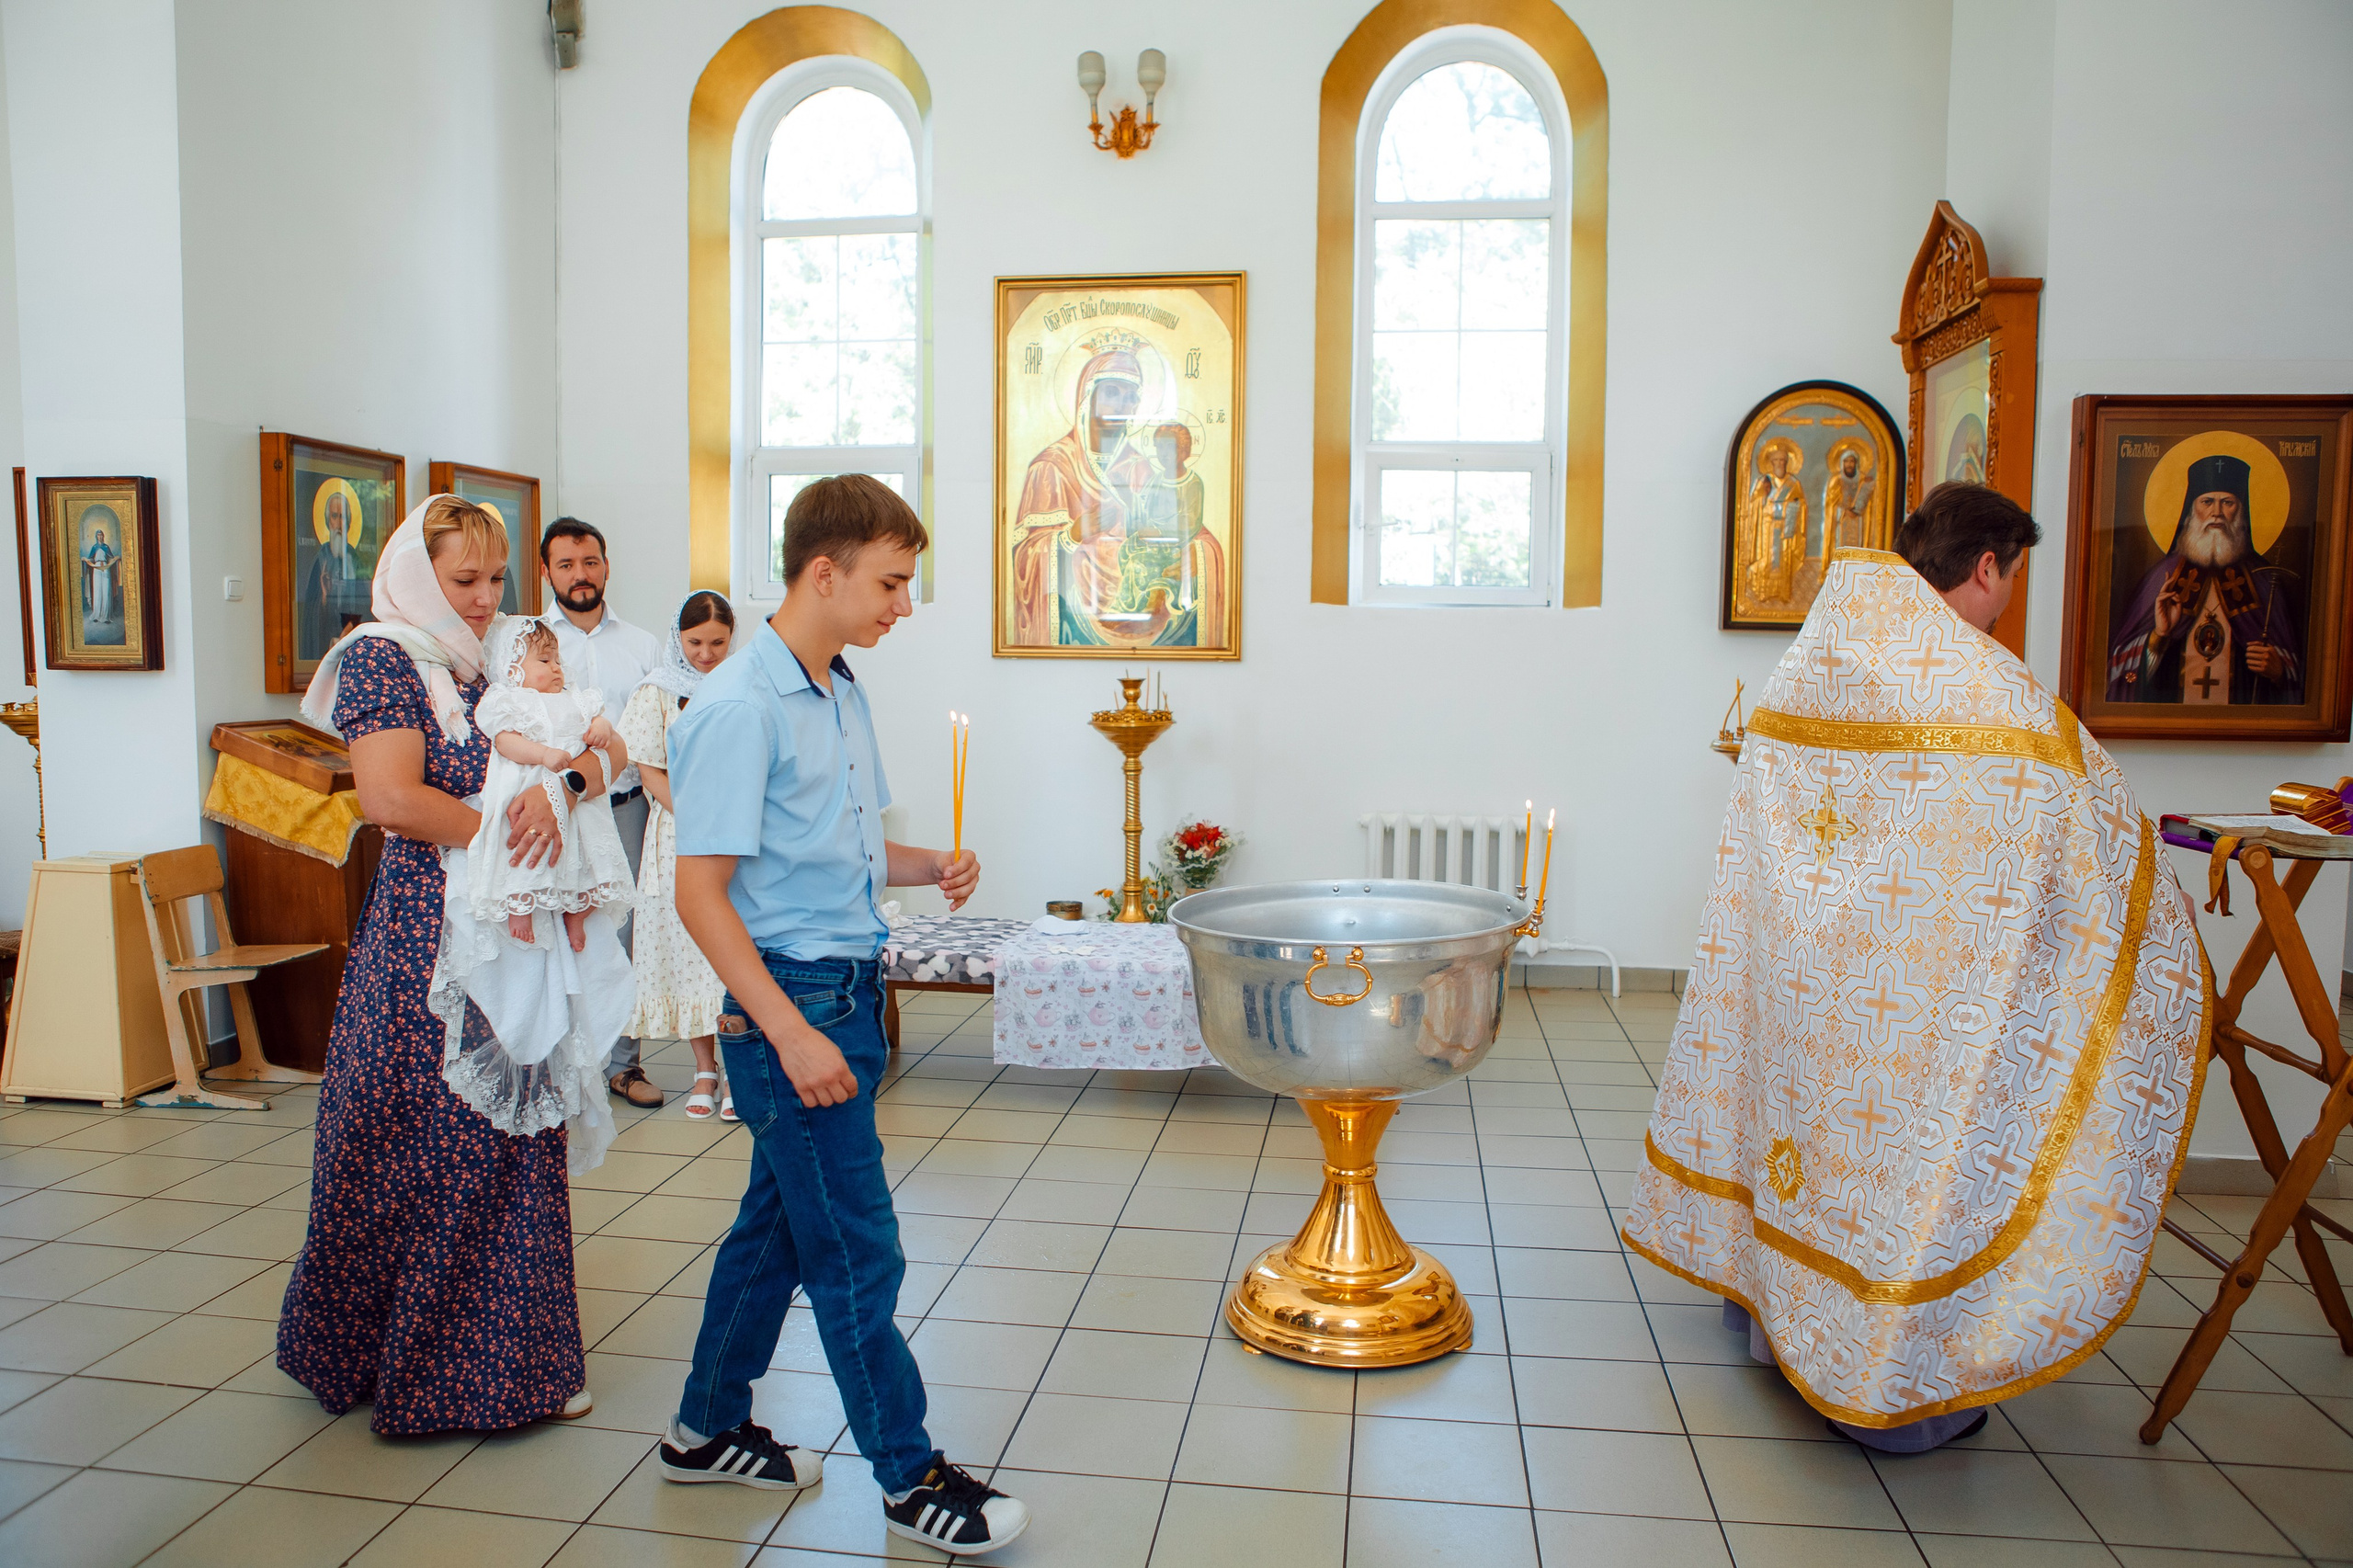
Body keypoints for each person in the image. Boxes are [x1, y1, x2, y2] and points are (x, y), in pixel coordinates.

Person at [1623, 482, 2210, 1454]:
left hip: (1807, 980)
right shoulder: (1990, 693)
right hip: (1916, 999)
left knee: (1802, 1140)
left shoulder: (1818, 659)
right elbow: (2085, 823)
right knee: (1900, 1169)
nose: (2005, 601)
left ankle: (1769, 1323)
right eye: (2009, 578)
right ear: (1986, 567)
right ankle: (1884, 1385)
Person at [658, 475, 1029, 1555]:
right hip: (795, 1004)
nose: (903, 604)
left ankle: (702, 1428)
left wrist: (926, 863)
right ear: (824, 572)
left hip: (845, 989)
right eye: (891, 582)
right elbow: (700, 892)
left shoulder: (836, 685)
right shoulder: (738, 706)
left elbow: (834, 847)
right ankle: (909, 1478)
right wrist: (789, 1030)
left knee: (774, 1233)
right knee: (858, 1250)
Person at [280, 494, 616, 1433]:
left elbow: (606, 751)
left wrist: (564, 789)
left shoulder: (509, 650)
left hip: (516, 928)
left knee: (510, 1144)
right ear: (417, 576)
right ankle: (380, 1355)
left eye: (496, 577)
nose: (484, 598)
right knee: (405, 1135)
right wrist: (513, 839)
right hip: (427, 933)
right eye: (464, 579)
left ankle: (506, 1367)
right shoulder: (383, 657)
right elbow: (391, 798)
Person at [540, 516, 667, 1108]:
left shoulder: (643, 646)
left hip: (627, 808)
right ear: (547, 573)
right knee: (554, 928)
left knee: (624, 930)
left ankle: (623, 1065)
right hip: (556, 812)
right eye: (566, 564)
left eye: (589, 562)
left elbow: (661, 733)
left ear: (606, 567)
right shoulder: (528, 646)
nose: (580, 575)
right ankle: (557, 1066)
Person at [615, 590, 737, 1120]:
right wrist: (694, 817)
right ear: (677, 638)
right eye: (695, 642)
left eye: (717, 643)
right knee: (690, 950)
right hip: (679, 834)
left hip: (735, 832)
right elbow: (648, 771)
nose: (706, 654)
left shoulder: (743, 686)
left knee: (733, 951)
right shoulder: (656, 692)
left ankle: (740, 1068)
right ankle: (705, 1070)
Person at [2107, 451, 2302, 705]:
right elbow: (2120, 673)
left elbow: (2296, 679)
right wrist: (2158, 637)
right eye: (2207, 501)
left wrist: (2278, 671)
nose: (2216, 512)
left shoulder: (2263, 581)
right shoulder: (2162, 577)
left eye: (2228, 502)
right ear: (2191, 510)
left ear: (2241, 512)